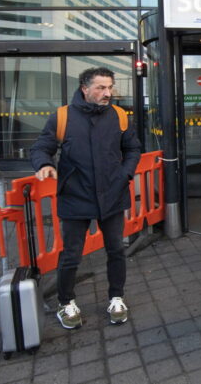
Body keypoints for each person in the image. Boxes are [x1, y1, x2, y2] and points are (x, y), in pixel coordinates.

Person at [30, 67, 142, 329]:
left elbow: (133, 148)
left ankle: (117, 297)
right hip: (75, 194)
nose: (107, 93)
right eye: (101, 88)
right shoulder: (62, 116)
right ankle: (65, 302)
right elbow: (41, 146)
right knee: (71, 254)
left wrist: (124, 174)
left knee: (116, 249)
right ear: (85, 88)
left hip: (112, 193)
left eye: (110, 87)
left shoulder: (119, 116)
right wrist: (43, 163)